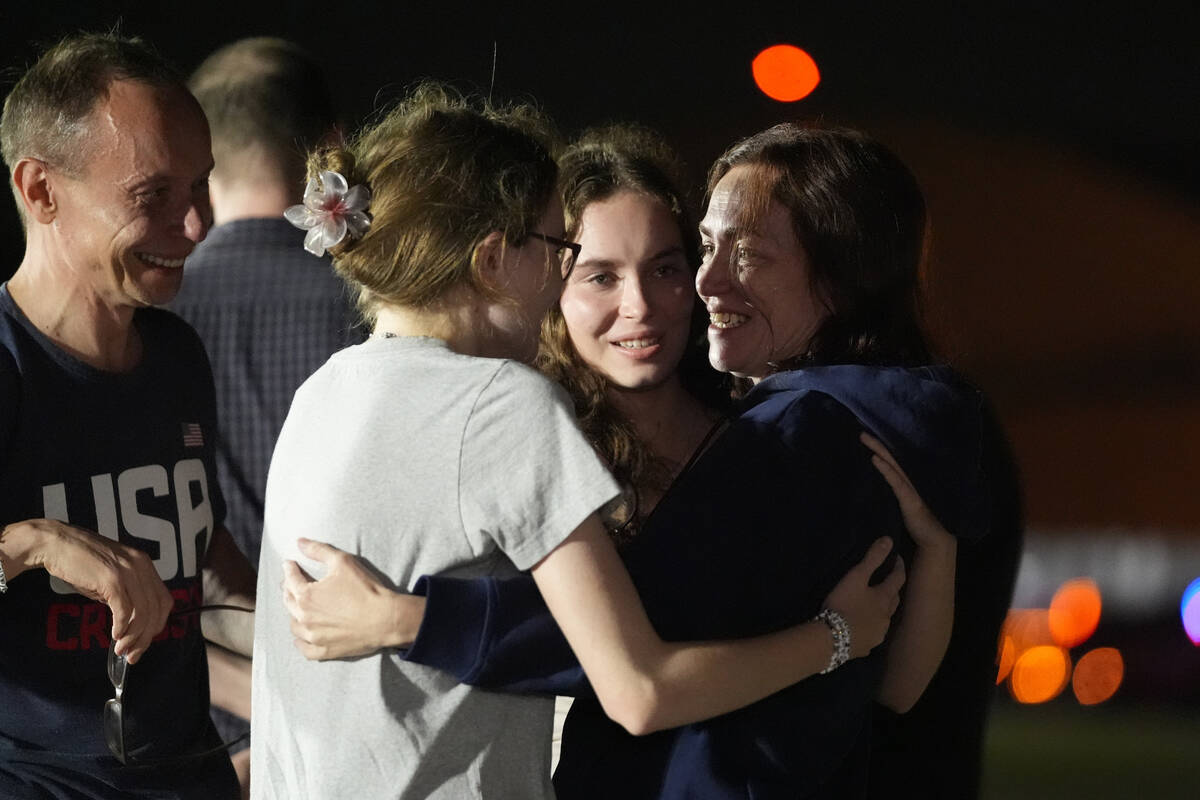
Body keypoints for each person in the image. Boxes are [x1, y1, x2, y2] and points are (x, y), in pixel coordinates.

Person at [285, 122, 996, 799]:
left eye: (667, 265)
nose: (647, 304)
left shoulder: (777, 440)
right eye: (599, 275)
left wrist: (409, 620)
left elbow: (643, 667)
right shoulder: (504, 433)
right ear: (550, 278)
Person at [0, 33, 255, 799]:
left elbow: (194, 542)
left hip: (192, 770)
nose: (197, 226)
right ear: (41, 190)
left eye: (201, 187)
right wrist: (37, 543)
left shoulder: (176, 352)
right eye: (155, 196)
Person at [170, 37, 360, 789]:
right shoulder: (371, 307)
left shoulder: (150, 318)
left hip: (197, 725)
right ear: (330, 148)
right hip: (351, 711)